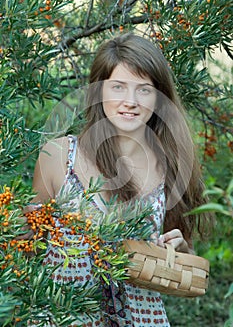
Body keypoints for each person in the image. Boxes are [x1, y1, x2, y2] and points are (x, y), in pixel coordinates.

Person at [29, 33, 209, 326]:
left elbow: (181, 256)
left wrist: (181, 251)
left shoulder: (171, 166)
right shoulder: (60, 155)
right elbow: (28, 245)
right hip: (66, 318)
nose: (130, 101)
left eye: (144, 90)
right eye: (118, 87)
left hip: (142, 319)